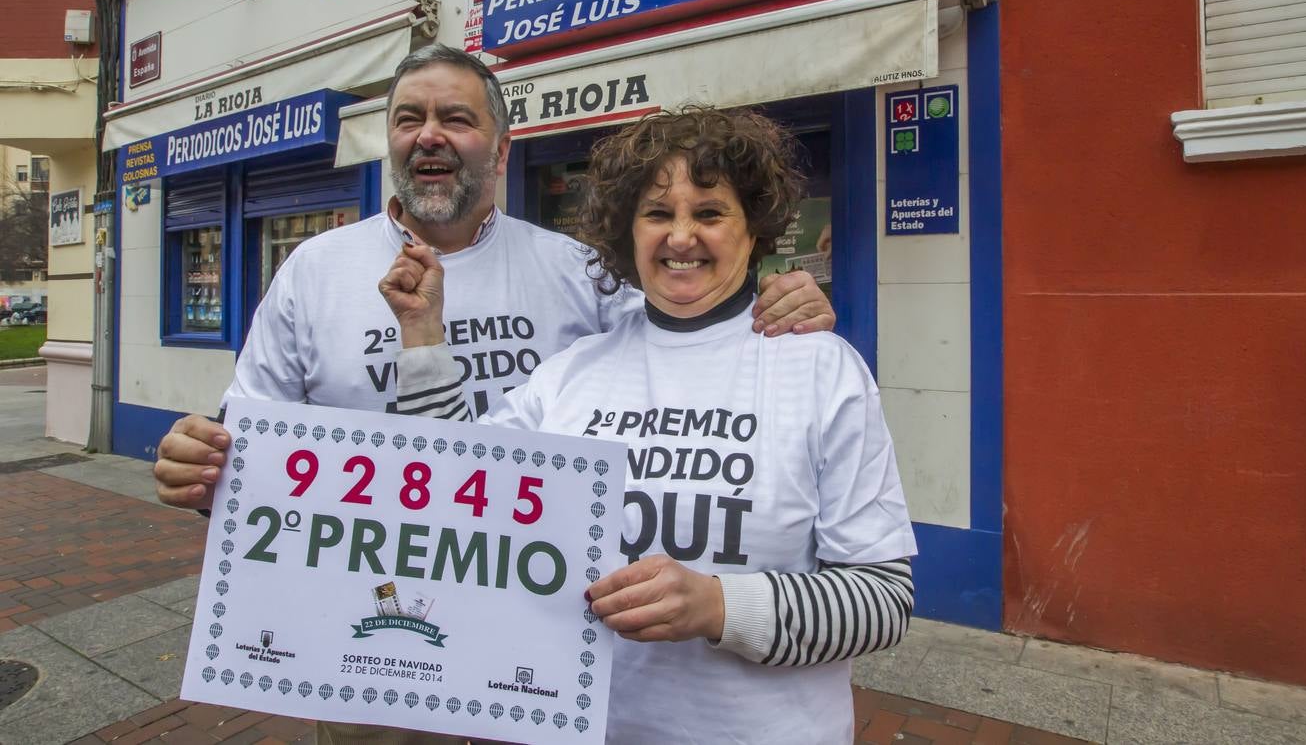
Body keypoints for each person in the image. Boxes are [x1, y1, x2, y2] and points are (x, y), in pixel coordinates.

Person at [152, 46, 836, 744]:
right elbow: (249, 445)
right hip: (378, 649)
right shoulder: (314, 270)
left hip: (537, 650)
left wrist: (769, 303)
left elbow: (685, 330)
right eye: (408, 119)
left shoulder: (575, 269)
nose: (429, 135)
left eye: (456, 118)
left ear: (503, 150)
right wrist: (202, 468)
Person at [384, 106, 917, 743]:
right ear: (627, 231)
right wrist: (422, 333)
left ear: (754, 230)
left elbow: (882, 600)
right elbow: (447, 486)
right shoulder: (571, 374)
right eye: (658, 214)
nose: (681, 237)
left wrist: (719, 606)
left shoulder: (821, 368)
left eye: (710, 214)